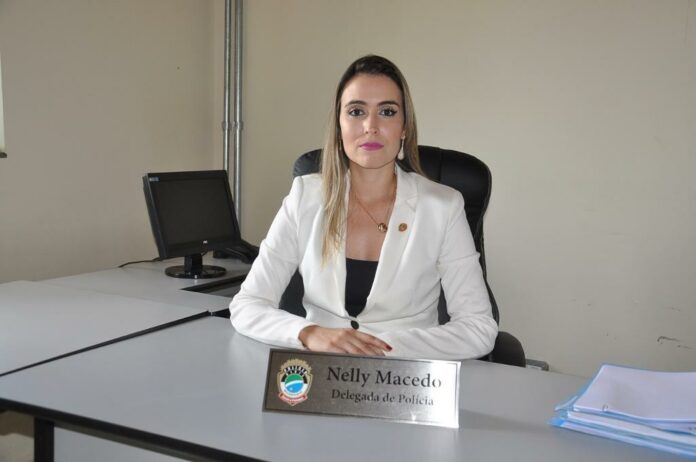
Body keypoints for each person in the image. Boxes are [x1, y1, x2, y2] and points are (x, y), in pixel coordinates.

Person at [229, 55, 497, 360]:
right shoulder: (305, 197)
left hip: (405, 374)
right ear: (339, 126)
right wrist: (309, 333)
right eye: (356, 112)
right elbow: (247, 305)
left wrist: (379, 348)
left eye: (387, 112)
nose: (371, 126)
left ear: (404, 127)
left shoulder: (443, 207)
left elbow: (479, 328)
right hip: (319, 371)